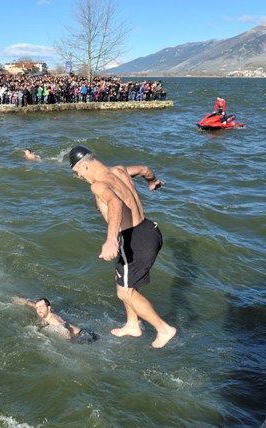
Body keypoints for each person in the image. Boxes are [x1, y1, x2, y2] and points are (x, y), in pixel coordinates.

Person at [69, 145, 176, 348]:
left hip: (133, 238)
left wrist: (111, 240)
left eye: (77, 172)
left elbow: (116, 204)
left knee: (124, 292)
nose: (79, 177)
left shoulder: (98, 184)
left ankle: (164, 329)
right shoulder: (119, 170)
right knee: (122, 279)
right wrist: (153, 182)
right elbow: (144, 169)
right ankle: (132, 325)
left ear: (83, 165)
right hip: (149, 229)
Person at [12, 296, 98, 343]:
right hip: (84, 333)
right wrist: (24, 301)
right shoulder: (46, 314)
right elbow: (36, 306)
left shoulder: (52, 319)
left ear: (49, 308)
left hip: (84, 337)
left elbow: (64, 330)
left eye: (41, 307)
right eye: (37, 308)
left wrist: (68, 342)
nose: (38, 310)